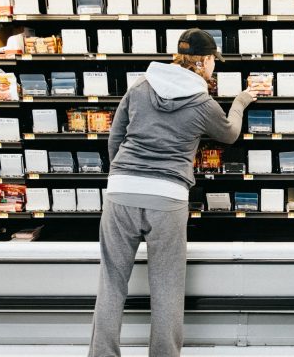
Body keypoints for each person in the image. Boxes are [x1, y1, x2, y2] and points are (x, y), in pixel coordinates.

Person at [89, 28, 257, 357]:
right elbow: (230, 133)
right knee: (166, 286)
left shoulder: (140, 85)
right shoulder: (202, 104)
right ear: (205, 61)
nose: (214, 68)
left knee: (111, 281)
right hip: (167, 198)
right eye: (214, 63)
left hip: (121, 191)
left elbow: (115, 137)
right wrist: (241, 100)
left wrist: (123, 176)